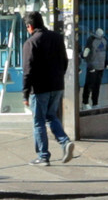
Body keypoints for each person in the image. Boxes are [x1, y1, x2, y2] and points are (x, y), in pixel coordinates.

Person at [20, 11, 73, 166]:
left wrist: (25, 93)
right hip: (57, 85)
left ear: (29, 26)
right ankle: (65, 142)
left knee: (39, 122)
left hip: (39, 88)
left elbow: (27, 70)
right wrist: (58, 77)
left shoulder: (30, 43)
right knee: (51, 116)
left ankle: (43, 156)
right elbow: (64, 61)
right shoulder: (57, 38)